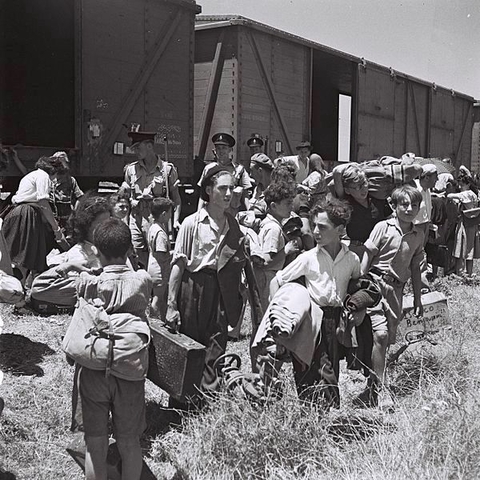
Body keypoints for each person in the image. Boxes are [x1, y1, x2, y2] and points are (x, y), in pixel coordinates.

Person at [65, 218, 151, 480]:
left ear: (96, 252)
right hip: (129, 367)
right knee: (129, 443)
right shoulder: (142, 281)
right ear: (129, 250)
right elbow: (137, 275)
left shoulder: (88, 283)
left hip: (93, 365)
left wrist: (83, 265)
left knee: (95, 444)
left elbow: (75, 275)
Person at [166, 166, 259, 403]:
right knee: (190, 345)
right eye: (223, 188)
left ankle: (208, 399)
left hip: (221, 291)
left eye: (232, 188)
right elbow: (178, 264)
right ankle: (183, 403)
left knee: (217, 344)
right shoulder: (192, 223)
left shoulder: (234, 225)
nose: (229, 194)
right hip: (194, 288)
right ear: (209, 190)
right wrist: (171, 305)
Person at [268, 196, 361, 408]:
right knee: (311, 367)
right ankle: (316, 413)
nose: (316, 232)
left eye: (322, 227)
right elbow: (277, 281)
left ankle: (319, 418)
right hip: (312, 319)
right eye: (314, 226)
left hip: (336, 321)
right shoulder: (308, 258)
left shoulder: (351, 259)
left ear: (340, 230)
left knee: (331, 368)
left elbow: (357, 285)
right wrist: (277, 314)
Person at [361, 185, 424, 408]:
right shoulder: (382, 227)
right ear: (394, 206)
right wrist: (360, 284)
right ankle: (382, 390)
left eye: (414, 205)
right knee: (380, 334)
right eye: (404, 204)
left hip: (397, 291)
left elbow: (416, 268)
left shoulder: (418, 235)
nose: (409, 209)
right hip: (375, 286)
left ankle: (371, 385)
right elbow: (368, 255)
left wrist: (417, 299)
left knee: (386, 340)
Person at [30, 194, 112, 310]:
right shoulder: (78, 254)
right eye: (100, 224)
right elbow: (77, 287)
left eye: (109, 223)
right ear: (87, 226)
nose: (106, 228)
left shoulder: (112, 247)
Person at [2, 156, 68, 287]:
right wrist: (56, 229)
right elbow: (43, 202)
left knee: (21, 257)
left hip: (20, 212)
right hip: (26, 214)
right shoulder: (43, 176)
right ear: (53, 170)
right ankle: (17, 294)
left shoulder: (32, 175)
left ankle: (17, 292)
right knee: (23, 257)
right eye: (56, 176)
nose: (55, 180)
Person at [120, 131, 181, 267]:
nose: (135, 151)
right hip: (136, 218)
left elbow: (176, 199)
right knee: (135, 253)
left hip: (156, 219)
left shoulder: (167, 170)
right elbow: (125, 199)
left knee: (158, 255)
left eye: (138, 147)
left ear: (149, 146)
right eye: (134, 148)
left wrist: (175, 220)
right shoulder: (131, 170)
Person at [251, 181, 298, 312]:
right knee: (268, 313)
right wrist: (286, 251)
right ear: (273, 206)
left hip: (267, 276)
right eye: (287, 203)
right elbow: (265, 262)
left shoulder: (270, 224)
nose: (292, 207)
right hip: (267, 278)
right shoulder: (273, 229)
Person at [333, 163, 392, 259]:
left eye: (364, 183)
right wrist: (355, 164)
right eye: (357, 187)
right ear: (347, 190)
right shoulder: (346, 203)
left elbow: (390, 219)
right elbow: (337, 171)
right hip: (358, 250)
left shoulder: (378, 199)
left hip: (380, 249)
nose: (363, 189)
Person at [197, 133, 252, 215]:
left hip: (232, 214)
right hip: (212, 212)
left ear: (230, 150)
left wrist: (249, 211)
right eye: (218, 148)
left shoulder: (239, 170)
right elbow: (202, 194)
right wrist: (199, 212)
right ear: (215, 151)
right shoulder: (208, 169)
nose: (221, 151)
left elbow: (245, 194)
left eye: (224, 148)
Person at [447, 169, 479, 276]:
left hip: (465, 223)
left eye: (462, 185)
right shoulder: (474, 194)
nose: (460, 187)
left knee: (460, 246)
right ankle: (469, 272)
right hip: (473, 223)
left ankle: (459, 271)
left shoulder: (466, 194)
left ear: (468, 184)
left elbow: (449, 196)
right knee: (470, 247)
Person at [147, 197, 173, 320]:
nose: (170, 216)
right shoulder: (161, 233)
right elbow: (161, 254)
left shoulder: (152, 227)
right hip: (159, 271)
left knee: (160, 298)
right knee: (158, 298)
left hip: (152, 267)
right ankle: (153, 321)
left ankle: (162, 320)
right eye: (170, 213)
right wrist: (174, 254)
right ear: (163, 214)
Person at [49, 151, 84, 231]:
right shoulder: (48, 179)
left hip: (66, 219)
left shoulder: (70, 180)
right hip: (52, 219)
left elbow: (80, 197)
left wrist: (74, 212)